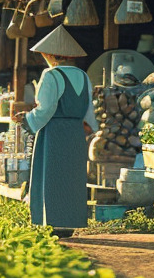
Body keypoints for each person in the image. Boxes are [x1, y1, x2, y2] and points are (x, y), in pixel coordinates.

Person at [11, 25, 97, 236]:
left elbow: (46, 109)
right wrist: (94, 130)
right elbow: (89, 109)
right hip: (75, 133)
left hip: (54, 133)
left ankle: (53, 223)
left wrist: (26, 119)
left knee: (51, 177)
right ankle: (70, 223)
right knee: (72, 179)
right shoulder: (84, 76)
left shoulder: (51, 75)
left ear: (52, 54)